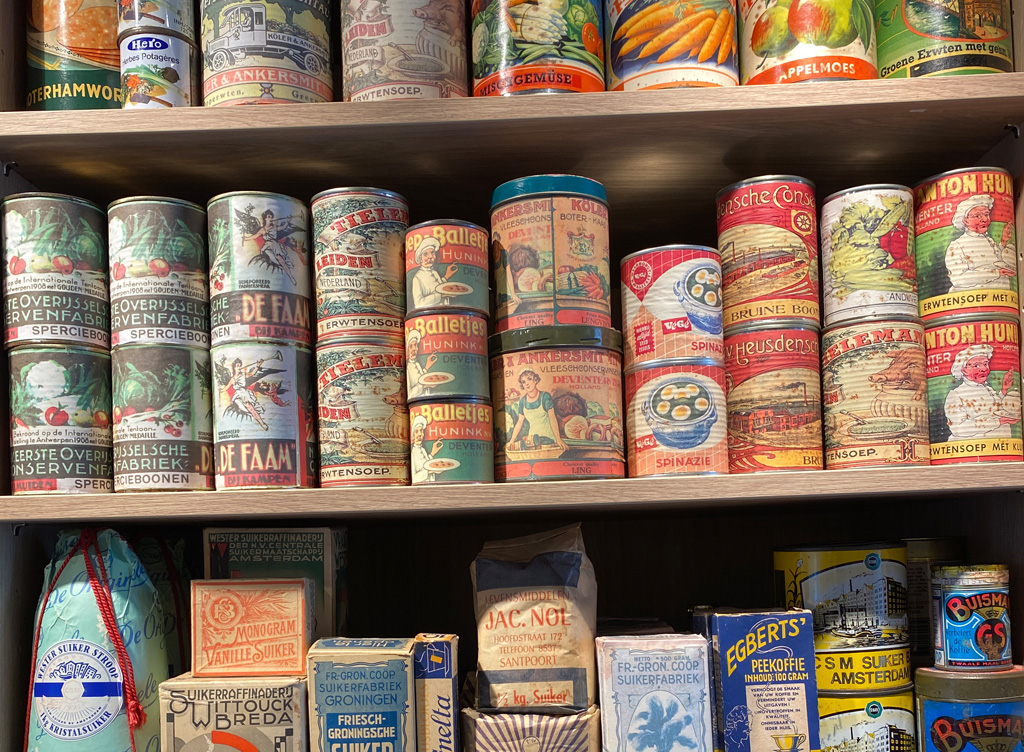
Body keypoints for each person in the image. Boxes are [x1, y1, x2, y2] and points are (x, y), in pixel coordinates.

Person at [944, 344, 1020, 440]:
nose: (984, 369)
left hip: (1001, 445)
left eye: (985, 364)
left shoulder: (988, 389)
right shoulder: (956, 395)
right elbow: (958, 428)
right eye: (976, 365)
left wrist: (1003, 390)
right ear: (964, 370)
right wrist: (998, 422)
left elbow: (996, 409)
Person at [944, 195, 1016, 293]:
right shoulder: (957, 246)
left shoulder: (989, 240)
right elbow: (959, 279)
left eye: (986, 214)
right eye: (978, 216)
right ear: (965, 221)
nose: (984, 219)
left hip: (999, 296)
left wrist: (1003, 242)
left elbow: (994, 261)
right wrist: (996, 273)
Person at [507, 369, 566, 451]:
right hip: (532, 441)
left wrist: (558, 439)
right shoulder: (522, 401)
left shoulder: (545, 397)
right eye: (523, 382)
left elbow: (552, 418)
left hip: (548, 439)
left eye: (529, 379)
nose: (527, 383)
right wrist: (511, 441)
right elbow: (519, 422)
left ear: (535, 380)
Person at [411, 236, 457, 309]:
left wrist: (446, 276)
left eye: (432, 253)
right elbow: (418, 304)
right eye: (426, 254)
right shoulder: (417, 278)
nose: (430, 257)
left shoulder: (435, 272)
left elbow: (438, 287)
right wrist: (442, 295)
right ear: (420, 258)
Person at [253, 209, 297, 285]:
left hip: (275, 245)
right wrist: (245, 238)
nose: (270, 218)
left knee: (281, 261)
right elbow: (254, 236)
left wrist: (288, 221)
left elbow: (283, 227)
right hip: (267, 246)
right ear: (265, 218)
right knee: (270, 257)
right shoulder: (262, 229)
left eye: (271, 217)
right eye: (268, 217)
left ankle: (291, 277)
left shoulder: (274, 227)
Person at [229, 358, 269, 430]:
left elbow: (252, 374)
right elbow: (225, 388)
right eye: (237, 365)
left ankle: (262, 423)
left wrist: (258, 366)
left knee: (250, 407)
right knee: (240, 404)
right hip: (238, 395)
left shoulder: (243, 375)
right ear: (234, 367)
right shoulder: (232, 379)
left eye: (240, 365)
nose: (239, 367)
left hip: (244, 393)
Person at [406, 329, 438, 401]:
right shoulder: (407, 368)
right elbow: (410, 394)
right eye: (411, 346)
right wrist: (424, 385)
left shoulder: (417, 364)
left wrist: (427, 367)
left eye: (415, 345)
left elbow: (420, 378)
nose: (414, 349)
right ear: (407, 349)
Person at [410, 415, 443, 483]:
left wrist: (432, 453)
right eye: (416, 432)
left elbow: (426, 464)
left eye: (421, 431)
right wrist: (432, 470)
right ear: (413, 435)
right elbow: (413, 478)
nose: (419, 434)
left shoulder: (423, 449)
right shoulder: (412, 452)